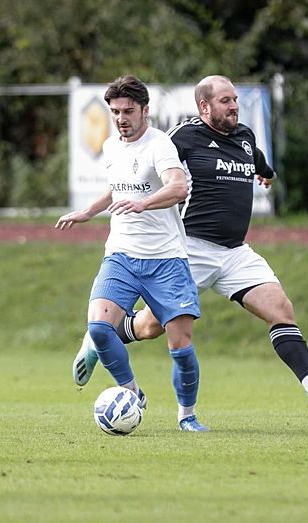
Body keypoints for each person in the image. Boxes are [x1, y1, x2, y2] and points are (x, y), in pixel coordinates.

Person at [71, 75, 308, 412]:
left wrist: (265, 173)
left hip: (237, 252)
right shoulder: (183, 136)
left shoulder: (244, 136)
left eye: (236, 100)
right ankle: (99, 340)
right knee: (151, 326)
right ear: (204, 106)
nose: (234, 106)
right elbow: (144, 163)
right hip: (190, 251)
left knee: (281, 309)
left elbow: (255, 159)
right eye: (226, 101)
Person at [56, 75, 209, 432]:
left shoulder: (160, 146)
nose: (121, 118)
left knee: (181, 346)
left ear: (145, 110)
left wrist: (143, 204)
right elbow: (114, 189)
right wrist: (87, 212)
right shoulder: (112, 147)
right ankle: (131, 393)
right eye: (115, 112)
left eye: (128, 111)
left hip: (167, 258)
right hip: (122, 254)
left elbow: (177, 187)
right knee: (98, 327)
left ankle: (187, 416)